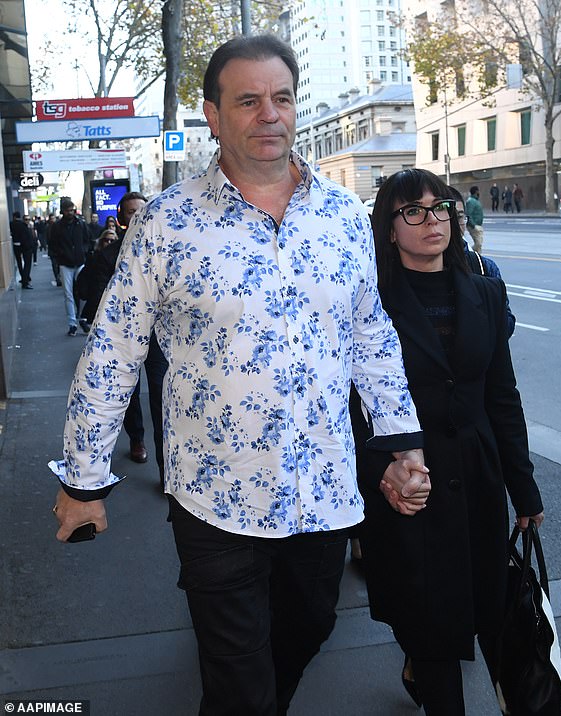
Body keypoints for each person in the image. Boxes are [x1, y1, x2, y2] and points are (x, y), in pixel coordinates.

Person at [51, 34, 430, 716]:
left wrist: (403, 447)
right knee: (236, 678)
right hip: (214, 497)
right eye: (248, 100)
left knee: (309, 628)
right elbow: (112, 350)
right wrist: (84, 479)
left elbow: (370, 337)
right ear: (213, 115)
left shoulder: (344, 216)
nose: (270, 115)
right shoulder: (166, 223)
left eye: (281, 98)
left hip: (324, 492)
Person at [351, 168, 544, 715]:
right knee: (429, 619)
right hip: (407, 485)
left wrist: (523, 491)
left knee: (483, 609)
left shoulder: (485, 293)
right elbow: (350, 405)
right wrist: (378, 468)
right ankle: (426, 669)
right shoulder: (369, 304)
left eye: (441, 209)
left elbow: (501, 397)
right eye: (413, 211)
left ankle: (421, 663)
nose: (431, 221)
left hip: (477, 481)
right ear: (389, 228)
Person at [76, 192, 161, 467]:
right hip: (124, 337)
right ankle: (136, 439)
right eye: (130, 212)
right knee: (131, 392)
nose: (136, 215)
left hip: (160, 337)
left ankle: (166, 463)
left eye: (141, 210)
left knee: (162, 395)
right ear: (121, 218)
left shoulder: (165, 248)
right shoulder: (108, 255)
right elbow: (103, 298)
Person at [447, 185, 515, 337]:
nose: (453, 224)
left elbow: (507, 325)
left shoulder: (485, 267)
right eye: (447, 216)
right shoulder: (420, 269)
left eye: (459, 217)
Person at [47, 199, 92, 336]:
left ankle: (83, 319)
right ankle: (72, 323)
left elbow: (87, 240)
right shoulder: (57, 227)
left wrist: (83, 251)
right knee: (69, 294)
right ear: (63, 211)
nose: (70, 213)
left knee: (82, 292)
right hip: (66, 263)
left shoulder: (80, 224)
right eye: (67, 210)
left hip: (79, 261)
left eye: (72, 210)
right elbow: (52, 244)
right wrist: (59, 256)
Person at [10, 211, 34, 289]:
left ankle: (24, 278)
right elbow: (26, 237)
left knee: (19, 263)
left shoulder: (11, 224)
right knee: (27, 264)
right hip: (26, 247)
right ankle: (25, 280)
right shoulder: (23, 225)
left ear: (14, 217)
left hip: (16, 245)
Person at [464, 185, 484, 253]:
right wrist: (474, 226)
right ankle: (470, 254)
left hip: (478, 225)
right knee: (478, 244)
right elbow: (468, 214)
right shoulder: (471, 201)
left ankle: (477, 258)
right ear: (476, 192)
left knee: (479, 245)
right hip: (474, 226)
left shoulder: (475, 200)